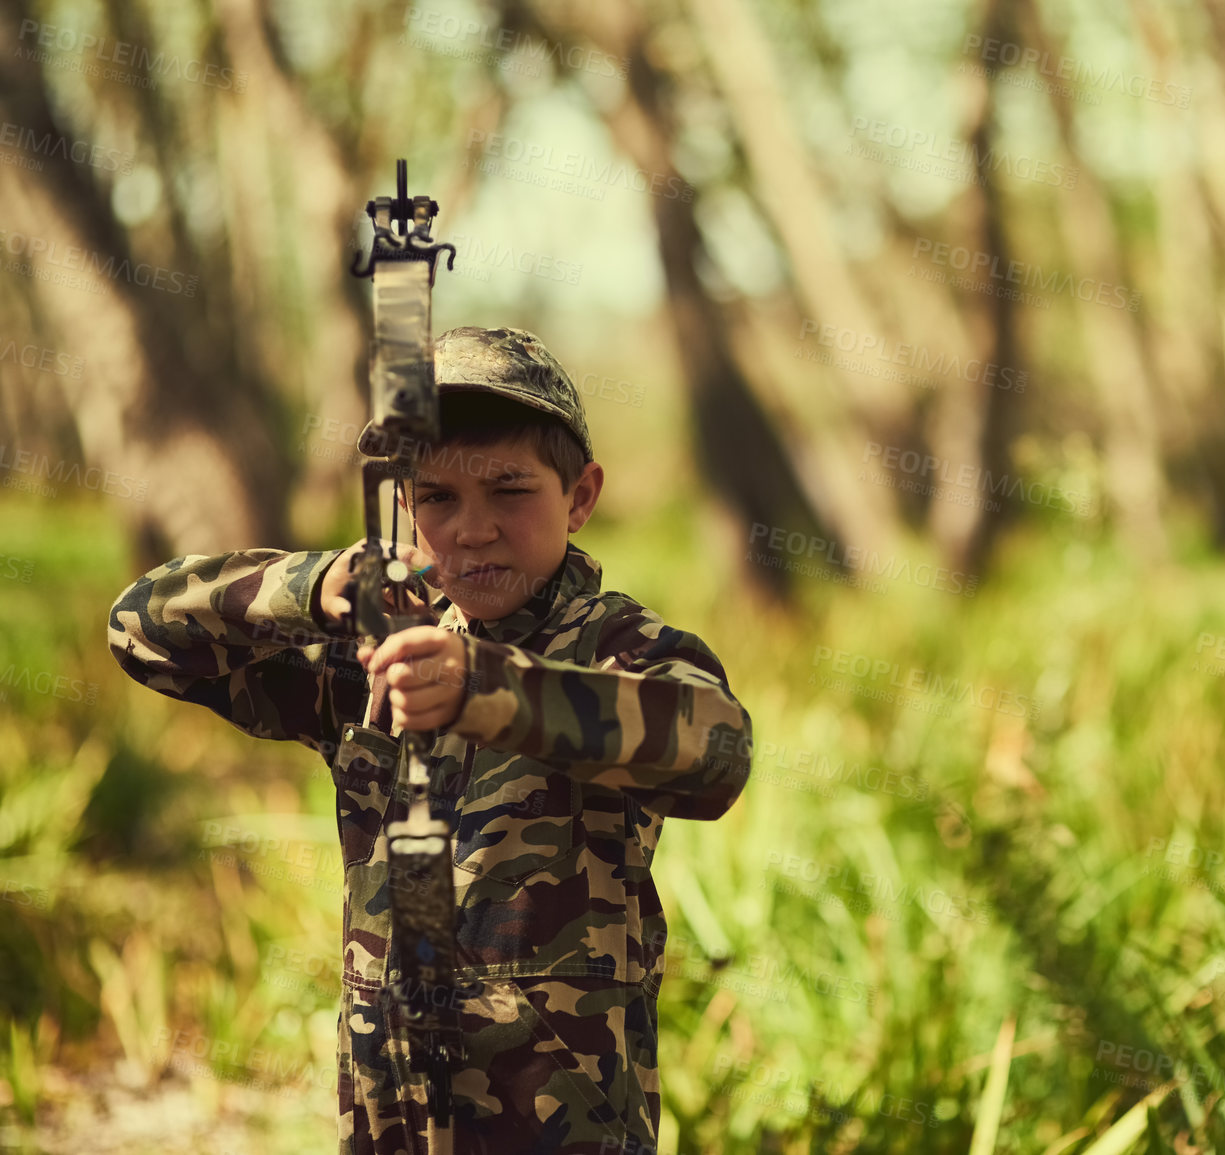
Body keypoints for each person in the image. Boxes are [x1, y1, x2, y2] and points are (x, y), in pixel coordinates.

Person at [108, 325, 752, 1154]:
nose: (473, 528)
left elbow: (718, 753)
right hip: (388, 1114)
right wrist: (311, 586)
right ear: (406, 507)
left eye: (510, 490)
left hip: (557, 1124)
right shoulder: (369, 657)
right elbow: (141, 631)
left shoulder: (615, 646)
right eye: (438, 497)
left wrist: (487, 690)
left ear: (580, 496)